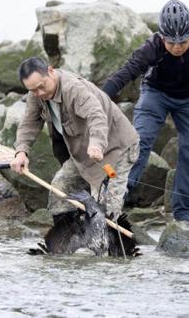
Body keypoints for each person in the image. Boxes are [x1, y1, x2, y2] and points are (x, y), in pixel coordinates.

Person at [102, 0, 189, 224]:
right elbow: (125, 73)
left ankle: (184, 216)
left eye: (182, 41)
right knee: (138, 143)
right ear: (162, 36)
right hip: (156, 94)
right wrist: (100, 100)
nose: (177, 47)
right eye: (171, 42)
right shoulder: (151, 48)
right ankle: (112, 198)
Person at [10, 57, 139, 220]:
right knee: (60, 188)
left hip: (117, 146)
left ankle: (111, 237)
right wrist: (21, 152)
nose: (39, 93)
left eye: (42, 86)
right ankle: (68, 238)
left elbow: (96, 115)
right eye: (33, 90)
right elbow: (29, 123)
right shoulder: (36, 95)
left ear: (50, 71)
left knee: (107, 210)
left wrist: (97, 144)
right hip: (84, 152)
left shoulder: (73, 89)